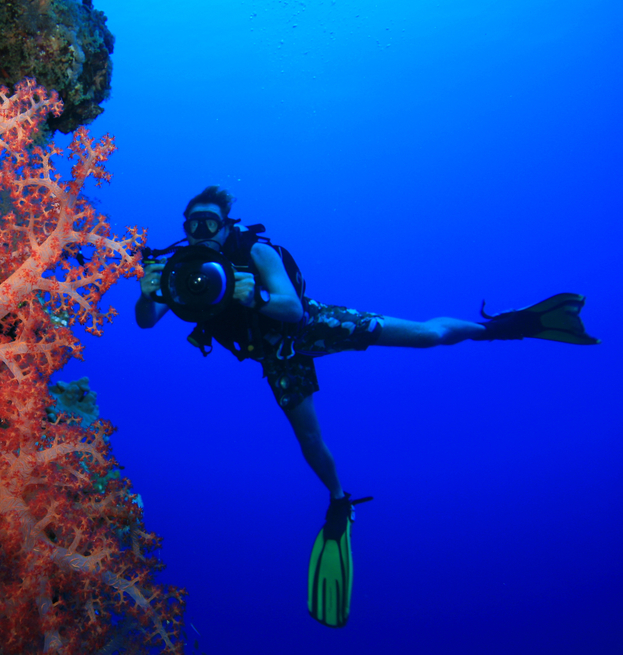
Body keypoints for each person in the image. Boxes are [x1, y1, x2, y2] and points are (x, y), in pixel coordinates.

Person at [135, 186, 598, 628]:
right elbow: (146, 321)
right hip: (274, 358)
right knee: (309, 439)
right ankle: (339, 500)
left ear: (225, 224)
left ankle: (503, 327)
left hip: (310, 325)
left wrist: (253, 294)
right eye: (191, 223)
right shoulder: (181, 267)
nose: (199, 232)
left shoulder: (255, 253)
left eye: (209, 222)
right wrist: (146, 291)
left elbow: (292, 310)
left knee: (424, 336)